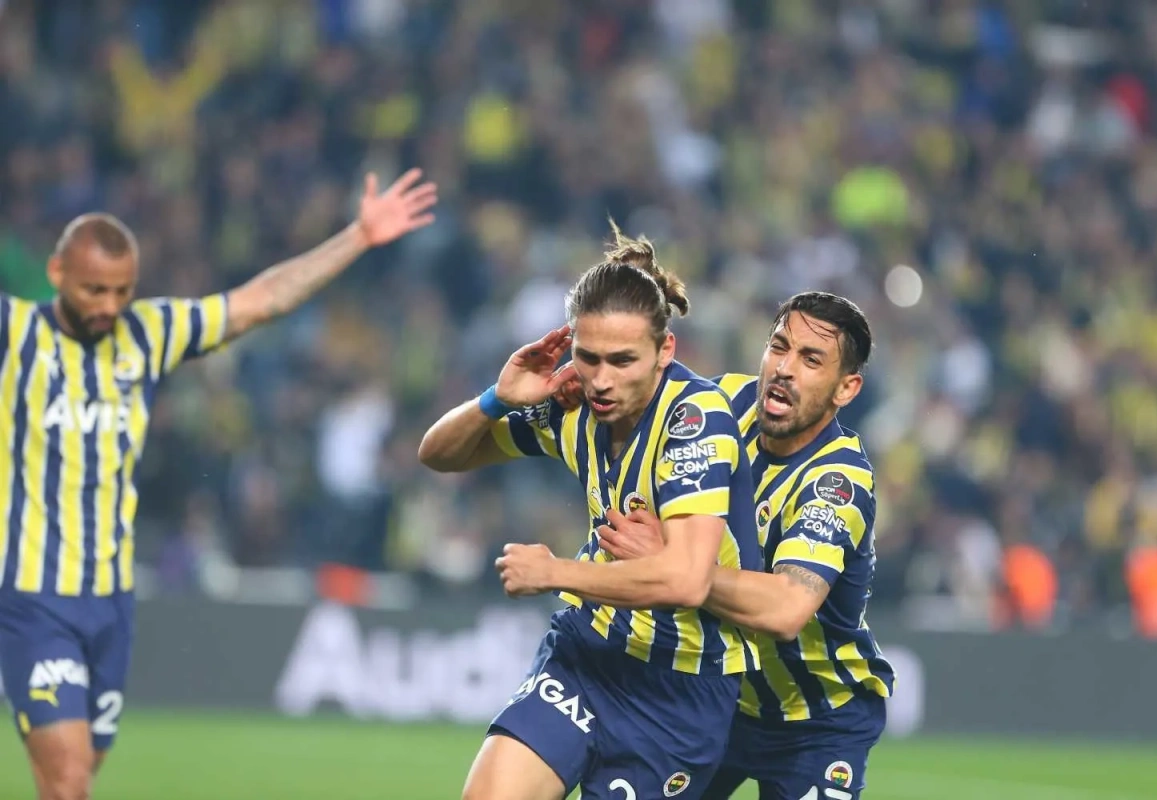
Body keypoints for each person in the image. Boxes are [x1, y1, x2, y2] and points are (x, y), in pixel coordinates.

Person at [0, 169, 438, 800]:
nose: (108, 307)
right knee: (68, 780)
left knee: (75, 776)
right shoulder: (16, 335)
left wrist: (358, 236)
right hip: (33, 596)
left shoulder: (146, 333)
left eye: (121, 291)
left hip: (111, 602)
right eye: (94, 289)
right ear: (56, 272)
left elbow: (262, 300)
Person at [418, 226, 762, 800]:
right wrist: (497, 399)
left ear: (665, 352)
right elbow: (439, 454)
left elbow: (686, 579)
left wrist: (555, 572)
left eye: (623, 361)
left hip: (678, 689)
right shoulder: (572, 406)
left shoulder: (695, 420)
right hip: (586, 654)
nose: (601, 380)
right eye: (588, 357)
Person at [580, 291, 895, 800]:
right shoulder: (723, 405)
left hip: (817, 720)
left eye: (811, 360)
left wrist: (672, 563)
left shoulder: (836, 482)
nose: (784, 368)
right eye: (779, 347)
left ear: (846, 388)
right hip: (715, 694)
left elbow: (787, 609)